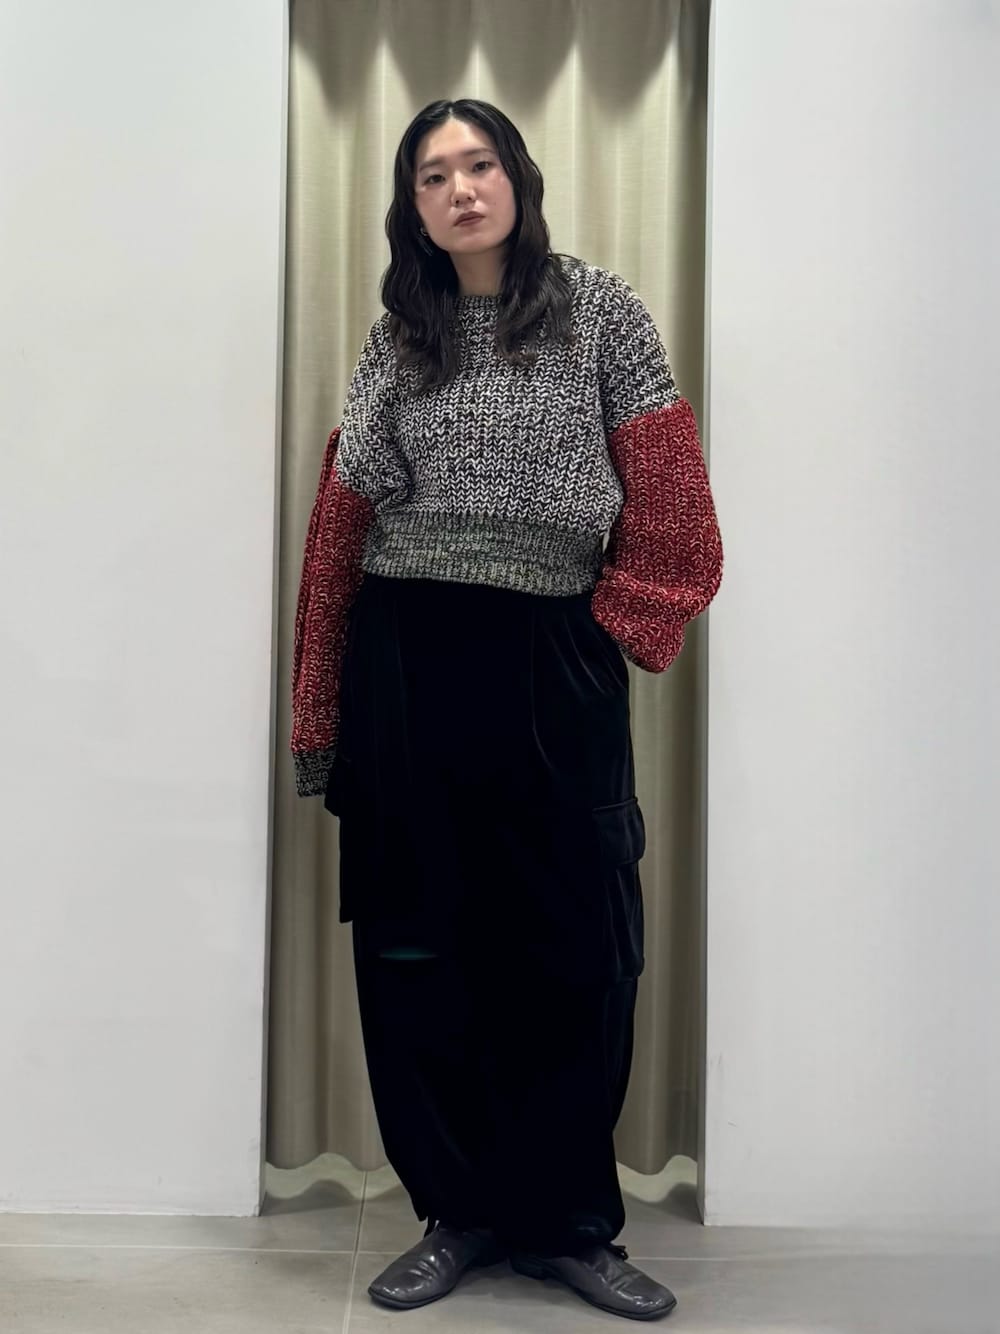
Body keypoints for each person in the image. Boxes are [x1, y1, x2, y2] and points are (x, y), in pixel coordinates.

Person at [291, 97, 723, 1322]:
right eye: (432, 175)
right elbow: (342, 523)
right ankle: (459, 1212)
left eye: (478, 164)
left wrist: (608, 626)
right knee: (421, 945)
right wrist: (320, 706)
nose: (461, 189)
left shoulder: (600, 311)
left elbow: (674, 502)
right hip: (407, 662)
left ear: (518, 177)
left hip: (549, 662)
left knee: (577, 947)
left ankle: (567, 1223)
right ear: (412, 208)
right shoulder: (400, 334)